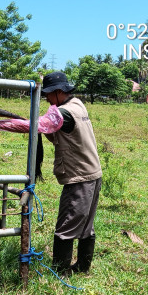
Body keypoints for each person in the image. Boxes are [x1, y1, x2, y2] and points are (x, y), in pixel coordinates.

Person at [41, 72, 102, 276]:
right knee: (85, 224)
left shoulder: (65, 113)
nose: (47, 99)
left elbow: (42, 125)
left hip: (79, 176)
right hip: (92, 173)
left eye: (49, 95)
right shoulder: (78, 105)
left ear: (59, 92)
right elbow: (61, 134)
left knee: (66, 226)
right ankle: (83, 267)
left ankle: (60, 272)